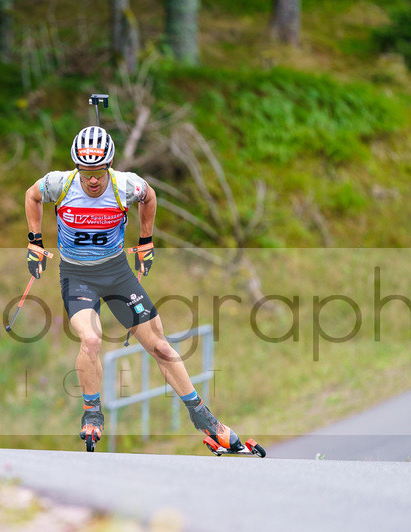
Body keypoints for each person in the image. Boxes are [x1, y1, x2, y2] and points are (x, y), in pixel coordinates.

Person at [23, 125, 247, 453]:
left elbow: (150, 196)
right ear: (77, 168)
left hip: (116, 274)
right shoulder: (61, 183)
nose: (93, 180)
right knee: (91, 339)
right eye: (86, 172)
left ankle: (204, 419)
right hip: (77, 276)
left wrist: (146, 240)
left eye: (99, 171)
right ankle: (92, 413)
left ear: (108, 166)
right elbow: (32, 195)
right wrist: (35, 241)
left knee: (161, 348)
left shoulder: (124, 185)